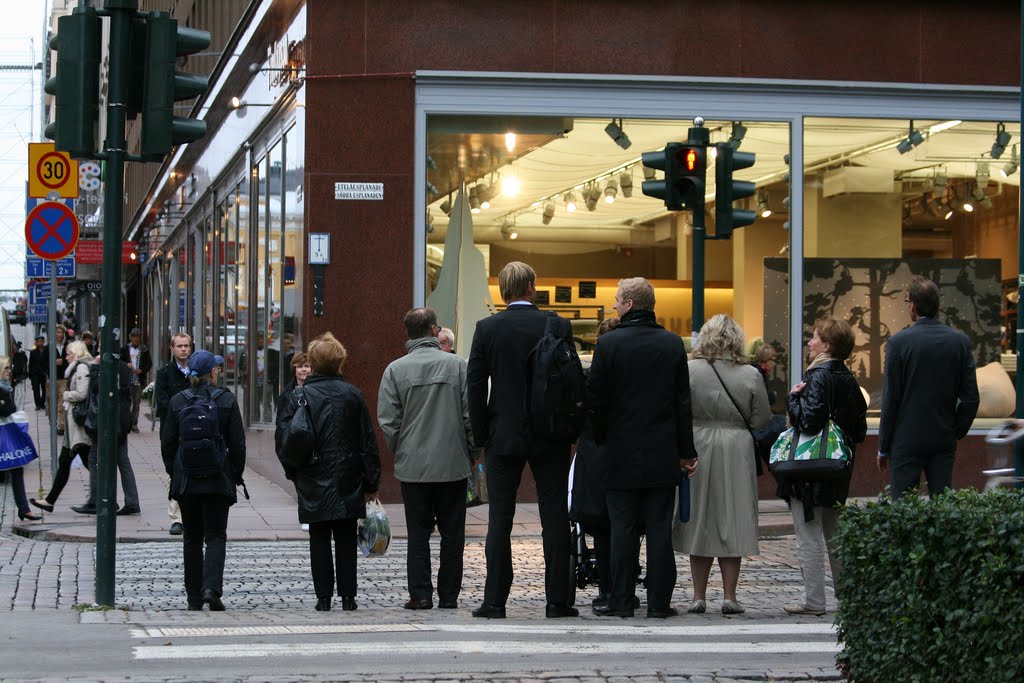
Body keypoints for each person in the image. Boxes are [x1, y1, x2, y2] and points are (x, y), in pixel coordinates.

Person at [467, 261, 578, 619]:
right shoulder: (557, 324)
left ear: (503, 290)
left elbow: (474, 386)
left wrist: (482, 434)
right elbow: (571, 378)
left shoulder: (487, 329)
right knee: (555, 515)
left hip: (504, 433)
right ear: (531, 286)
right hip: (551, 433)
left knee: (500, 517)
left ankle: (495, 600)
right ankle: (558, 600)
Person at [587, 278, 698, 618]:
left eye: (618, 300)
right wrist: (686, 450)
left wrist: (602, 439)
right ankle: (659, 603)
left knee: (622, 529)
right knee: (659, 530)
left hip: (619, 452)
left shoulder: (609, 344)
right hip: (662, 451)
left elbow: (596, 401)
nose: (615, 305)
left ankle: (621, 600)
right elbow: (683, 403)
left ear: (631, 305)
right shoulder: (671, 344)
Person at [377, 307, 475, 611]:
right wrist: (471, 451)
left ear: (408, 333)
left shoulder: (395, 370)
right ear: (434, 331)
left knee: (418, 534)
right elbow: (470, 415)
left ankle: (420, 594)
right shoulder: (458, 366)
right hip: (453, 464)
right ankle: (449, 595)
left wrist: (404, 447)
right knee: (452, 534)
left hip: (413, 466)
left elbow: (388, 421)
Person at [275, 332, 381, 612]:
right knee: (346, 537)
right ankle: (348, 596)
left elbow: (284, 439)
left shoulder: (300, 395)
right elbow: (367, 441)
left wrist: (293, 473)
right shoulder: (353, 394)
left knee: (318, 537)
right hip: (348, 475)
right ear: (339, 362)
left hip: (312, 474)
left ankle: (323, 597)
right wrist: (371, 480)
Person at [676, 314, 771, 615]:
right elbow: (761, 419)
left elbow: (679, 409)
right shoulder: (750, 374)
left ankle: (698, 595)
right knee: (734, 516)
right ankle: (730, 595)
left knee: (699, 517)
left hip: (698, 443)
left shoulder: (690, 370)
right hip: (736, 446)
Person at [782, 317, 867, 616]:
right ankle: (849, 599)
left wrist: (793, 399)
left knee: (808, 532)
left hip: (810, 468)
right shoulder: (848, 378)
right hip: (838, 466)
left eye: (814, 337)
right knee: (835, 532)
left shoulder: (817, 376)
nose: (809, 342)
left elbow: (809, 421)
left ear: (827, 345)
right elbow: (860, 430)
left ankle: (815, 601)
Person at [878, 276, 980, 499]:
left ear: (912, 305)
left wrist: (883, 447)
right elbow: (971, 398)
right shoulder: (960, 342)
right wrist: (955, 430)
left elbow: (891, 399)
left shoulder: (898, 343)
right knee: (942, 507)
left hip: (906, 439)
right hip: (942, 436)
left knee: (903, 510)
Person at [160, 350, 246, 611]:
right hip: (217, 479)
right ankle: (211, 589)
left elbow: (167, 443)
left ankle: (193, 597)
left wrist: (175, 473)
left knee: (192, 538)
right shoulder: (227, 400)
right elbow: (238, 444)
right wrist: (234, 474)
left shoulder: (178, 401)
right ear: (214, 372)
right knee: (216, 535)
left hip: (187, 479)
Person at [569, 316, 619, 608]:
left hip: (594, 457)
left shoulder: (588, 378)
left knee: (600, 525)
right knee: (624, 523)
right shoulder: (628, 380)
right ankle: (620, 584)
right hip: (623, 456)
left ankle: (607, 589)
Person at [69, 352, 142, 516]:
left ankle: (99, 499)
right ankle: (131, 501)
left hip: (109, 423)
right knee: (122, 461)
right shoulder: (123, 367)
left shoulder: (107, 367)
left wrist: (95, 367)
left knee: (95, 458)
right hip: (120, 421)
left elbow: (96, 387)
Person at [32, 341, 94, 513]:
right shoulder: (76, 368)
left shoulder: (81, 368)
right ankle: (50, 501)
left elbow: (82, 393)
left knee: (88, 463)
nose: (66, 357)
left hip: (78, 426)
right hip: (73, 426)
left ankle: (103, 498)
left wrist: (66, 395)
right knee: (66, 462)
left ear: (76, 353)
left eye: (68, 353)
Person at [155, 332, 193, 535]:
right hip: (173, 431)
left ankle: (192, 514)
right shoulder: (164, 373)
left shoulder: (196, 371)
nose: (184, 349)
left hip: (195, 430)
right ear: (172, 348)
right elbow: (162, 404)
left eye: (186, 345)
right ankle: (176, 518)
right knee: (174, 473)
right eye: (180, 346)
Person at [0, 357, 42, 522]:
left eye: (9, 368)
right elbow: (7, 409)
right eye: (6, 368)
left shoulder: (5, 389)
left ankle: (24, 509)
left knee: (17, 470)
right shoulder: (2, 389)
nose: (10, 371)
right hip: (4, 436)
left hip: (6, 436)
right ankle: (24, 509)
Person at [276, 352, 313, 532]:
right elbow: (281, 422)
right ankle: (306, 514)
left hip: (312, 442)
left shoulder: (316, 390)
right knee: (300, 481)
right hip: (294, 443)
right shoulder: (287, 394)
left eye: (307, 366)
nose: (303, 369)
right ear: (294, 370)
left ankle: (310, 514)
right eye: (300, 366)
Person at [120, 327, 153, 433]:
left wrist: (142, 370)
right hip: (127, 380)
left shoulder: (144, 350)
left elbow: (149, 364)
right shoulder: (124, 349)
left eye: (137, 338)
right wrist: (126, 365)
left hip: (138, 381)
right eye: (134, 338)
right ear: (130, 337)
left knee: (136, 403)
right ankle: (126, 422)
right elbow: (119, 361)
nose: (135, 340)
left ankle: (134, 423)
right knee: (126, 402)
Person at [43, 324, 68, 434]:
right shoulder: (48, 347)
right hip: (52, 379)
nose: (60, 335)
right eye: (58, 332)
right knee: (51, 403)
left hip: (63, 379)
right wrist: (53, 363)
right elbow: (42, 363)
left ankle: (61, 426)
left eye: (62, 333)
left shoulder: (67, 346)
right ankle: (53, 423)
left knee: (62, 403)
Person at [28, 335, 46, 410]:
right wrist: (30, 374)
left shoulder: (46, 350)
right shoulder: (33, 352)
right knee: (36, 389)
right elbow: (30, 363)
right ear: (36, 342)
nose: (40, 343)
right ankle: (38, 404)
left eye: (41, 341)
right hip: (35, 373)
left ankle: (42, 403)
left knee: (45, 389)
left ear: (43, 342)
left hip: (44, 373)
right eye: (38, 341)